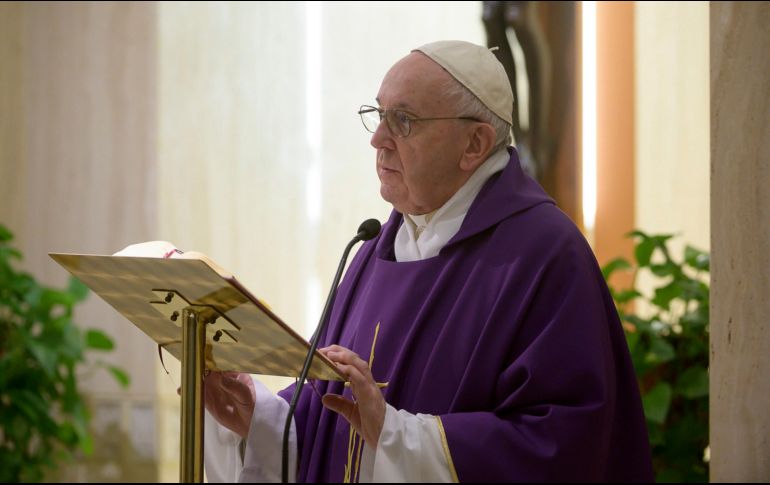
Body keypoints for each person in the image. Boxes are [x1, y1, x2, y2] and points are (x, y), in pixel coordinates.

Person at [203, 40, 653, 482]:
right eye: (379, 116)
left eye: (403, 121)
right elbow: (330, 425)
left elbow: (563, 449)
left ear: (475, 143)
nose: (378, 140)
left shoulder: (543, 255)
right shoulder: (375, 251)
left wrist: (397, 435)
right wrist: (258, 420)